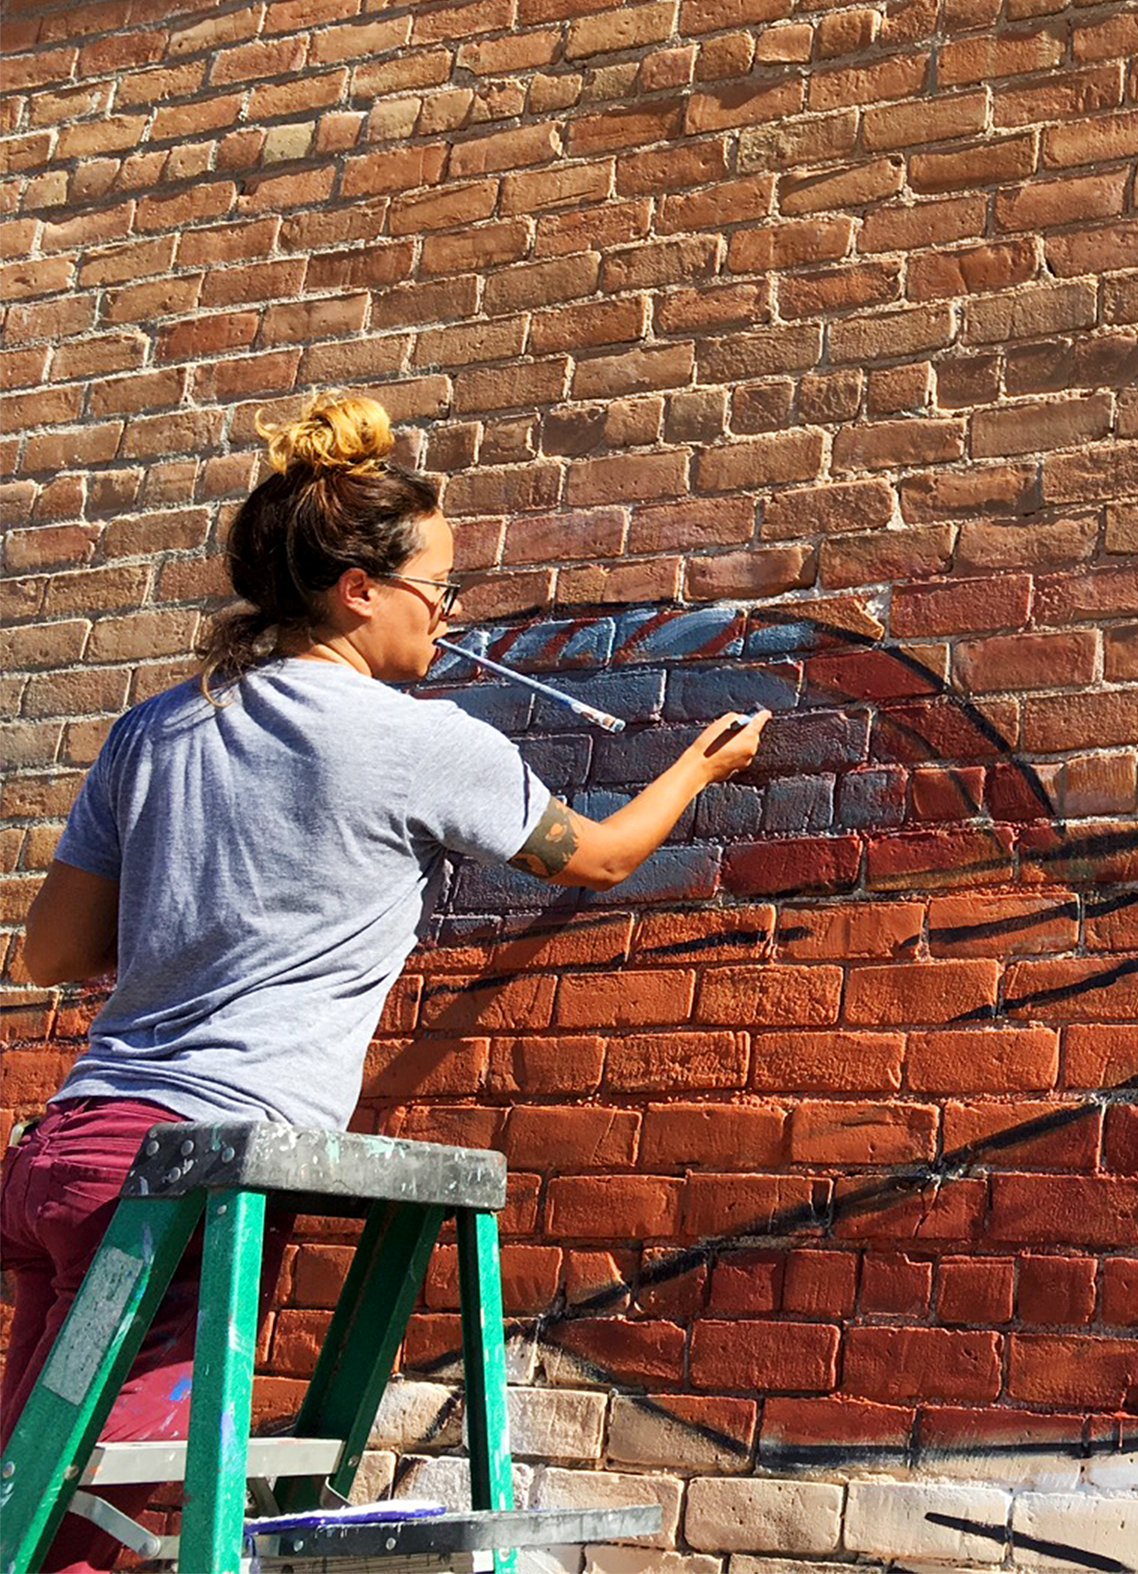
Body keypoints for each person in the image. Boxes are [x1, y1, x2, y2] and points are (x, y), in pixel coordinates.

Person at [0, 392, 766, 1572]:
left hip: (72, 1154)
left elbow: (50, 957)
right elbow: (604, 855)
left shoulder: (153, 730)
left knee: (30, 1496)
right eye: (440, 588)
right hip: (197, 1173)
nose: (449, 615)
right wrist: (698, 767)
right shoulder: (422, 739)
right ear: (361, 589)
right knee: (116, 1528)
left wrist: (188, 895)